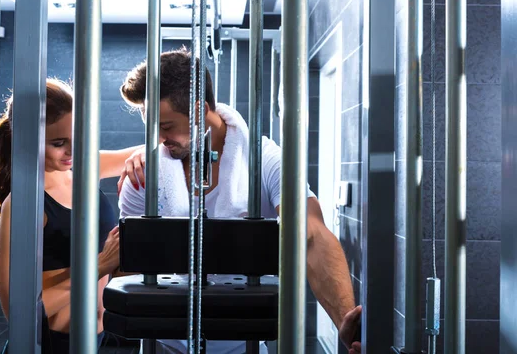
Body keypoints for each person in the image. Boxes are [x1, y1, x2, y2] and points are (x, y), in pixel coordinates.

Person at [117, 48, 362, 354]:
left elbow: (311, 235)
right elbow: (126, 264)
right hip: (164, 342)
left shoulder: (266, 160)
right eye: (151, 127)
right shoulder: (144, 176)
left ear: (198, 110)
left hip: (243, 342)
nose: (158, 138)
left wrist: (344, 319)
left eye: (166, 127)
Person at [0, 78, 144, 353]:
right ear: (28, 138)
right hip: (53, 345)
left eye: (77, 138)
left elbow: (149, 152)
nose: (71, 152)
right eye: (58, 142)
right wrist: (98, 267)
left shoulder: (82, 168)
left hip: (96, 338)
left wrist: (139, 158)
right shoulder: (25, 203)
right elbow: (17, 315)